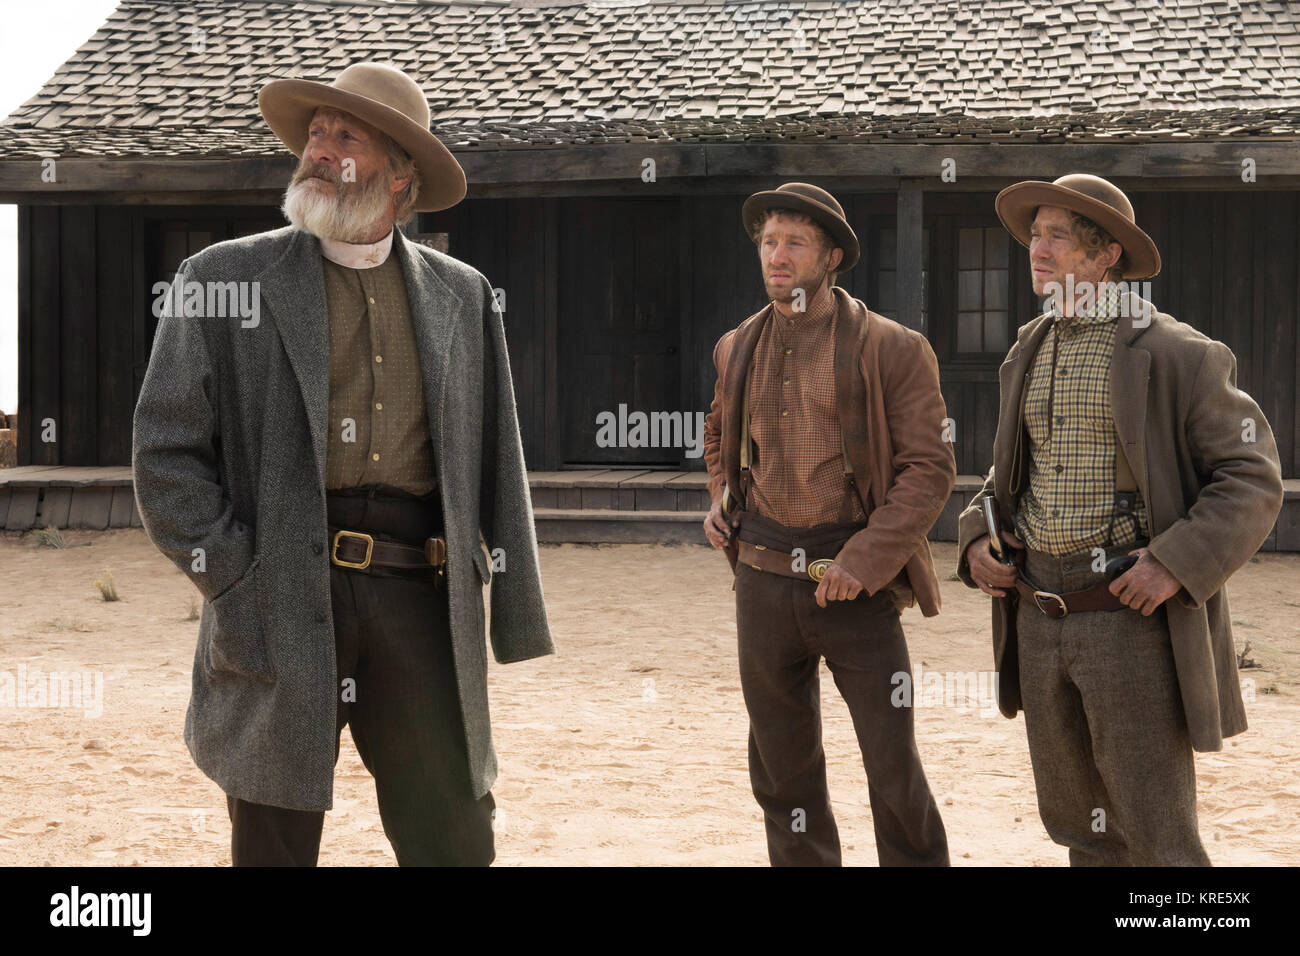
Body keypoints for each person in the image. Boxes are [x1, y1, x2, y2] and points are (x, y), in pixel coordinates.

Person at [132, 62, 553, 866]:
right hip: (279, 589)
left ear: (401, 175)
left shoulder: (463, 294)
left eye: (345, 136)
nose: (318, 150)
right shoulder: (222, 280)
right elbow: (164, 450)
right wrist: (234, 575)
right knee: (276, 839)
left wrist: (512, 605)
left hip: (418, 596)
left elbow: (498, 453)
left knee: (454, 840)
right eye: (315, 133)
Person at [956, 173, 1284, 865]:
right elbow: (1011, 473)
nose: (1036, 249)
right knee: (1082, 828)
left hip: (1128, 616)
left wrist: (1173, 562)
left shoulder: (1180, 354)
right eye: (1034, 233)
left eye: (1056, 236)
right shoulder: (1028, 348)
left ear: (1105, 256)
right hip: (1038, 614)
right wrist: (978, 537)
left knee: (1157, 831)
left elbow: (1252, 478)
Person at [702, 182, 954, 866]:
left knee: (891, 767)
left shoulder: (893, 349)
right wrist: (722, 499)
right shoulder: (736, 346)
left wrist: (865, 562)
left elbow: (929, 470)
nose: (777, 256)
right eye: (768, 242)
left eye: (795, 243)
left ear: (833, 256)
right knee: (783, 776)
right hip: (760, 582)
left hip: (855, 586)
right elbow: (720, 434)